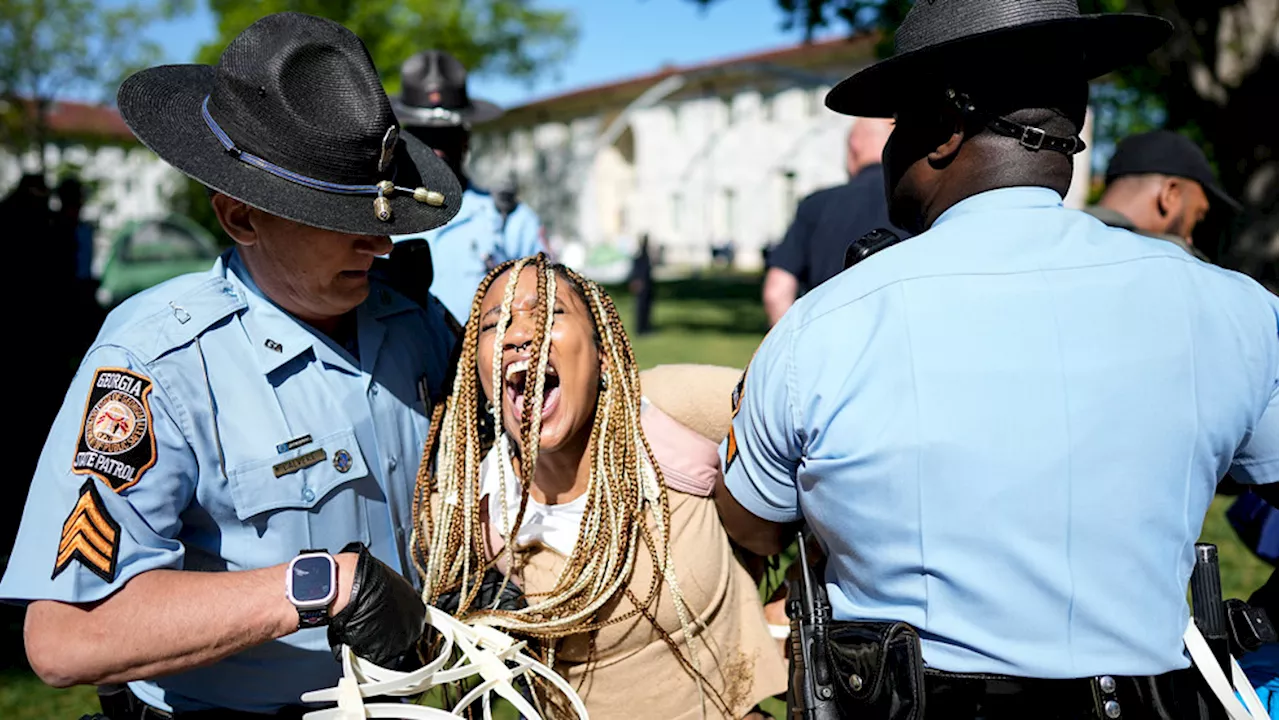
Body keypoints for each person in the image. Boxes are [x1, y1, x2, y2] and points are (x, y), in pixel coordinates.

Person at [715, 1, 1279, 718]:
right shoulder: (1234, 308)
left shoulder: (822, 329)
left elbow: (748, 524)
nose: (889, 152)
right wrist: (1257, 627)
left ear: (945, 132)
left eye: (897, 125)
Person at [0, 12, 463, 716]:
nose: (379, 244)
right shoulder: (156, 363)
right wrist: (318, 587)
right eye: (339, 220)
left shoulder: (415, 323)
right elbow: (66, 636)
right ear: (241, 218)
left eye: (384, 216)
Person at [413, 254, 787, 719]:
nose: (518, 334)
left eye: (550, 313)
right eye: (495, 324)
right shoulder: (474, 508)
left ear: (603, 353)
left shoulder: (665, 414)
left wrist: (802, 584)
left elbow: (819, 422)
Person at [390, 49, 544, 322]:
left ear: (465, 139)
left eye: (446, 135)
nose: (436, 150)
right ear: (406, 138)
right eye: (424, 135)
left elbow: (543, 303)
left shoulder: (508, 217)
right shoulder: (379, 210)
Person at [762, 117, 902, 326]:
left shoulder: (816, 204)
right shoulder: (916, 203)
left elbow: (776, 292)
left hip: (827, 340)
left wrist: (792, 347)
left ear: (854, 145)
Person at [1086, 129, 1242, 260]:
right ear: (1170, 194)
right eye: (1196, 217)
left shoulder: (1066, 236)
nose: (1189, 239)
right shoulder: (1176, 266)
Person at [629, 233, 656, 335]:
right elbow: (637, 271)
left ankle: (646, 326)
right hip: (641, 285)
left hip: (647, 285)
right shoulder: (640, 255)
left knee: (647, 307)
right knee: (641, 307)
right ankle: (641, 328)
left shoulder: (646, 255)